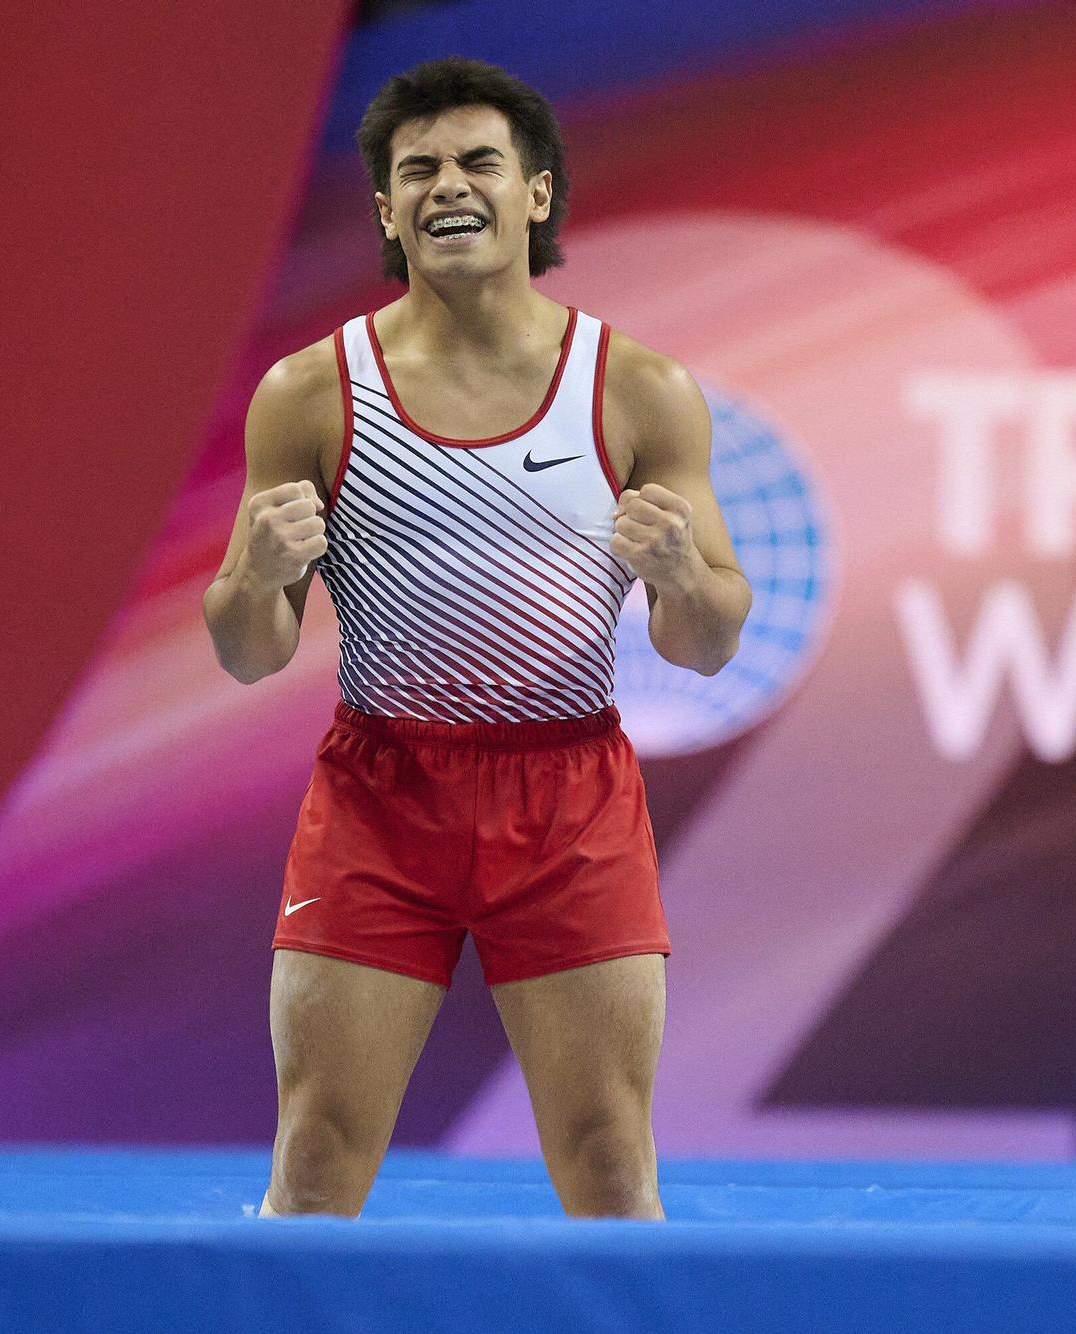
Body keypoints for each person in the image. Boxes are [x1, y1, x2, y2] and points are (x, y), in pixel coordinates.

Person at [202, 56, 750, 1221]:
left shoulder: (638, 388)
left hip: (568, 799)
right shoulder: (307, 392)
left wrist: (677, 576)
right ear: (388, 213)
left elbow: (706, 639)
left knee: (608, 1162)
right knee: (314, 1159)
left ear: (536, 193)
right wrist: (253, 571)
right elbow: (249, 648)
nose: (448, 185)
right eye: (419, 170)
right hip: (378, 796)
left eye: (477, 162)